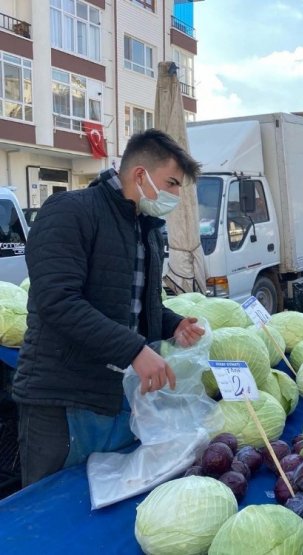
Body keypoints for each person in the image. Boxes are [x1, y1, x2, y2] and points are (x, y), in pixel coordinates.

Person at [13, 129, 205, 487]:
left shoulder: (147, 230)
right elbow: (58, 301)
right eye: (173, 184)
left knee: (103, 506)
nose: (176, 197)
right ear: (139, 174)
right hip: (63, 400)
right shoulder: (71, 211)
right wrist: (133, 349)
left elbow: (136, 308)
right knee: (51, 516)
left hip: (118, 398)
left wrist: (174, 324)